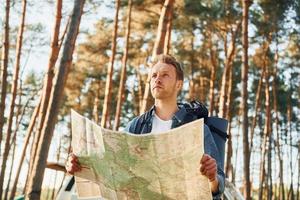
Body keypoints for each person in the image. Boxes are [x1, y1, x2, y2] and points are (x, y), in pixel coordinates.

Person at [66, 54, 225, 199]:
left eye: (165, 75)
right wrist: (81, 165)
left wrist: (212, 178)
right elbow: (116, 172)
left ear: (178, 84)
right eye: (154, 75)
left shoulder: (196, 129)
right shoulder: (136, 126)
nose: (157, 79)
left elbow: (218, 187)